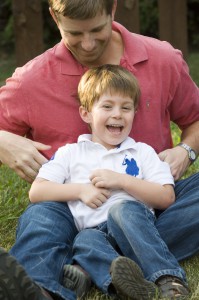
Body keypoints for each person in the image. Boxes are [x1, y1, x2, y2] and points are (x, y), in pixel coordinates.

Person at [0, 0, 198, 299]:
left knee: (135, 212)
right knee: (41, 218)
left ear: (112, 10)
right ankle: (37, 287)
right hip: (69, 207)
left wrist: (187, 149)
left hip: (146, 204)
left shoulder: (162, 59)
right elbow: (41, 190)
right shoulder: (32, 79)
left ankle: (84, 266)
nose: (88, 44)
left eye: (96, 29)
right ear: (54, 17)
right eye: (75, 34)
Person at [29, 64, 189, 300]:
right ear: (86, 114)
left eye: (126, 108)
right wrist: (81, 190)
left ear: (135, 112)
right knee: (84, 242)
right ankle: (121, 287)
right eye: (107, 106)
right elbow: (37, 191)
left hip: (133, 226)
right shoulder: (71, 153)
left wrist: (122, 181)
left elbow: (166, 197)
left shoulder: (141, 152)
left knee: (121, 210)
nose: (117, 114)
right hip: (94, 232)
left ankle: (168, 277)